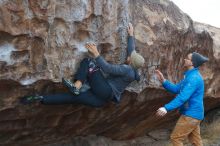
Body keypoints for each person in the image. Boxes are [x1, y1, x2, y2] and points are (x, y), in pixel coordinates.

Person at [20, 23, 145, 107]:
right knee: (73, 98)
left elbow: (108, 68)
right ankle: (41, 99)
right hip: (102, 101)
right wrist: (131, 35)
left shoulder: (126, 69)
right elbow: (131, 51)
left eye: (130, 57)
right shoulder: (133, 70)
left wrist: (96, 54)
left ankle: (77, 85)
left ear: (130, 61)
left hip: (105, 90)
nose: (129, 55)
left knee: (88, 62)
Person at [155, 52, 209, 146]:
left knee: (176, 138)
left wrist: (166, 108)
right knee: (195, 141)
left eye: (187, 58)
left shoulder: (194, 78)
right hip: (195, 114)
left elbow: (182, 97)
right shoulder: (190, 76)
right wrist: (164, 81)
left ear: (192, 63)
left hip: (191, 115)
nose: (184, 59)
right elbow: (176, 89)